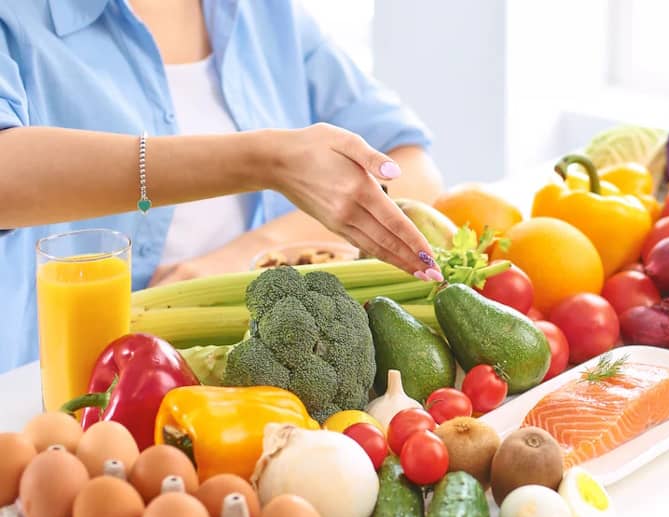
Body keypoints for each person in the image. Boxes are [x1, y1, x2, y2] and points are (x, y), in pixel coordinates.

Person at [0, 0, 447, 372]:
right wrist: (264, 159)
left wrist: (247, 254)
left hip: (250, 377)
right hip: (63, 385)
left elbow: (413, 168)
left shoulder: (264, 13)